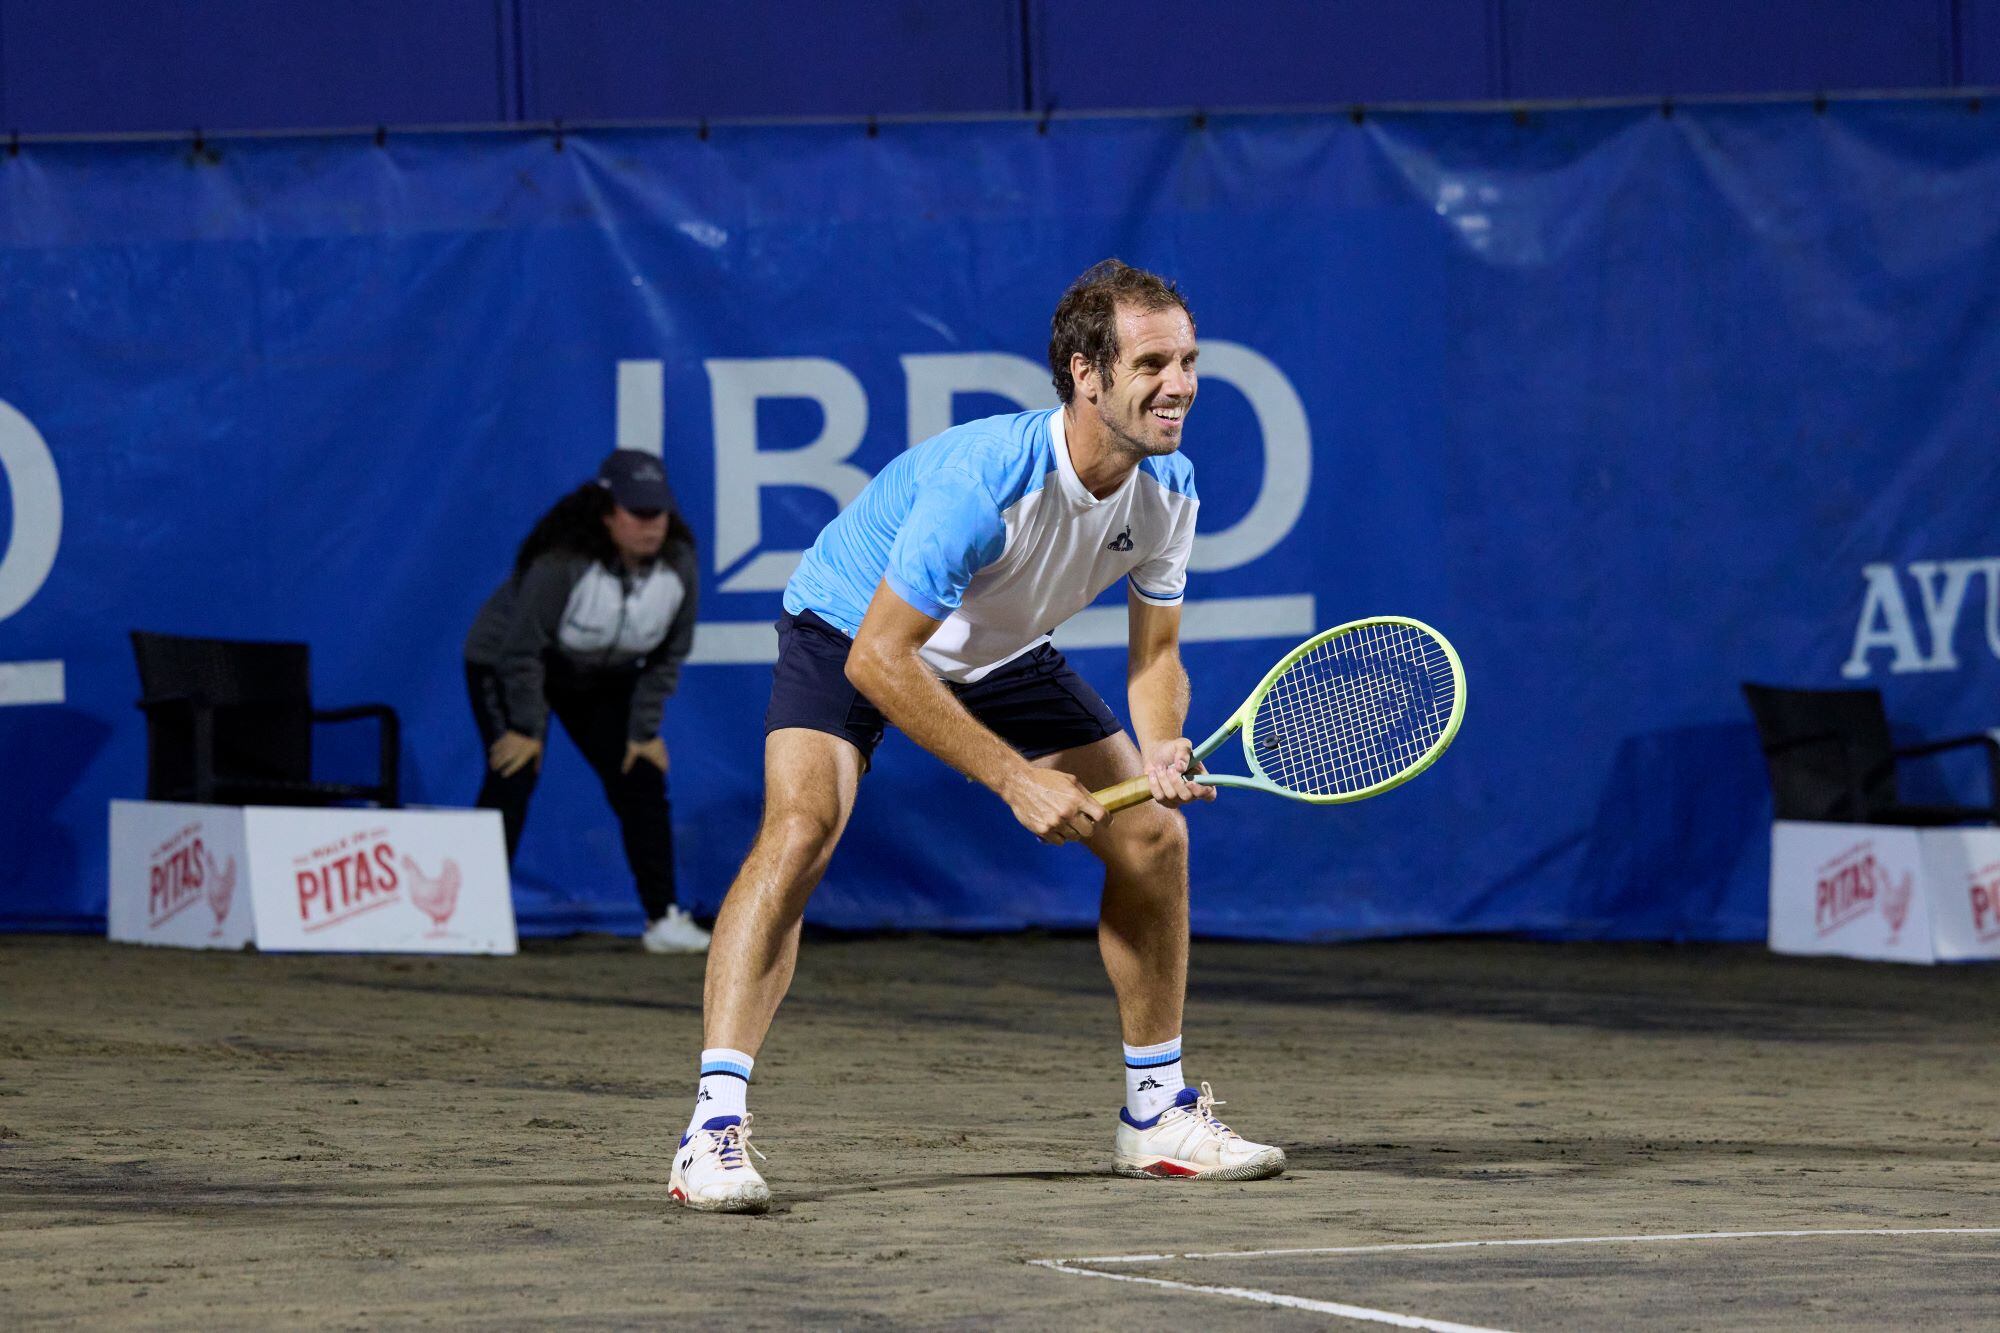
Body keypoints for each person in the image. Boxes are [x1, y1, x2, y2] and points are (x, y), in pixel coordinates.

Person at [668, 260, 1284, 1213]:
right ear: (1086, 374)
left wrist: (1162, 745)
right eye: (1154, 361)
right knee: (802, 829)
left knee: (1155, 835)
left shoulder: (1171, 486)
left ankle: (1155, 1113)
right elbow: (882, 659)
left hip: (1000, 647)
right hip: (852, 627)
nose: (1183, 384)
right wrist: (1014, 779)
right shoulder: (985, 482)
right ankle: (711, 1128)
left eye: (1190, 359)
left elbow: (1156, 657)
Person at [464, 450, 708, 953]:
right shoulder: (561, 562)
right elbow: (522, 651)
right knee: (514, 769)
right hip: (510, 663)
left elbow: (668, 654)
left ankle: (663, 919)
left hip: (599, 674)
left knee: (640, 773)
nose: (650, 526)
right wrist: (527, 729)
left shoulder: (679, 564)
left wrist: (642, 732)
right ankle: (473, 920)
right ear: (606, 513)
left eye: (658, 513)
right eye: (636, 514)